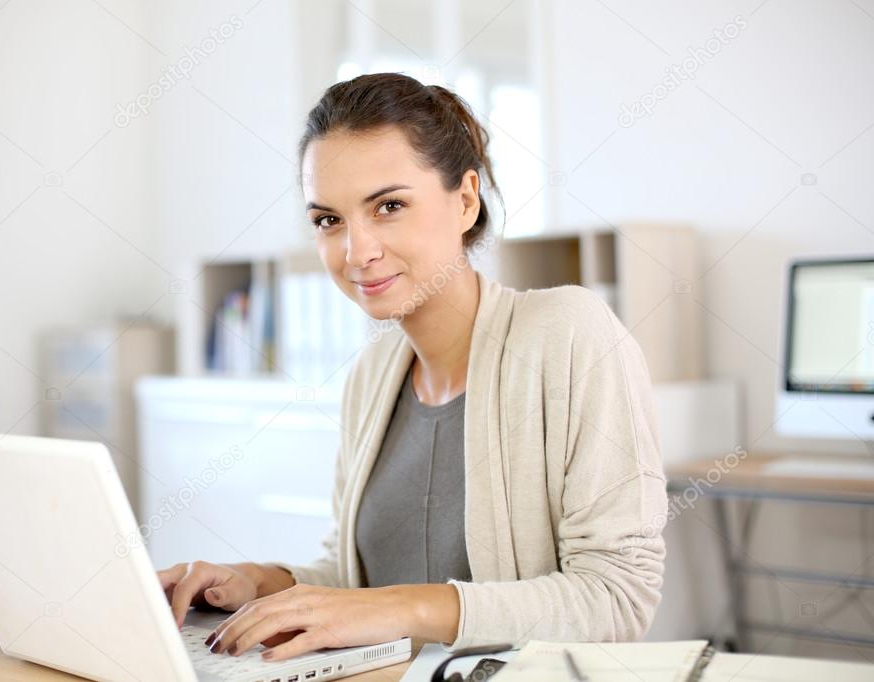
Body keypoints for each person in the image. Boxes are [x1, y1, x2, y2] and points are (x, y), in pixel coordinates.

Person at [157, 72, 667, 663]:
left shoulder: (569, 334)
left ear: (466, 199)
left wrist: (401, 607)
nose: (357, 251)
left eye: (389, 206)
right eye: (329, 220)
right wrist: (261, 582)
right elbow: (357, 577)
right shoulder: (373, 374)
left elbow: (618, 598)